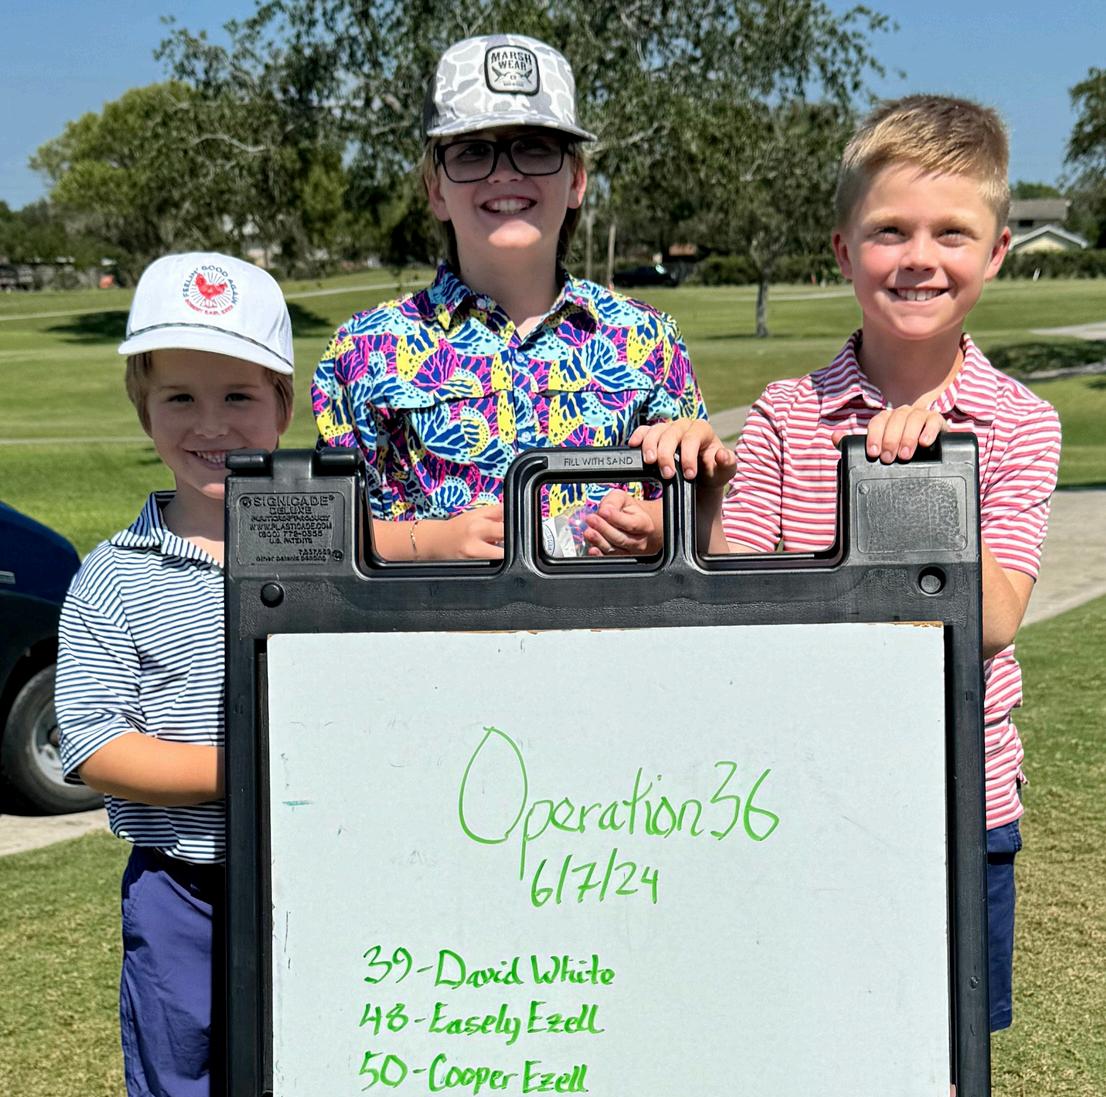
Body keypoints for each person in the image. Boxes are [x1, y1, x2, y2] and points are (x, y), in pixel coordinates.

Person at [700, 94, 1058, 1033]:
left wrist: (926, 490)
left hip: (961, 801)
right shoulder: (786, 412)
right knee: (806, 1028)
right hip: (802, 790)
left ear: (997, 251)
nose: (919, 257)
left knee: (948, 1051)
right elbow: (742, 600)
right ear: (844, 250)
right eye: (890, 230)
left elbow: (994, 619)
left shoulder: (1022, 423)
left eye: (952, 232)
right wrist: (695, 502)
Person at [55, 253, 295, 1097]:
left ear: (283, 405)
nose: (211, 423)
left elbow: (405, 587)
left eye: (239, 393)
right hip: (183, 889)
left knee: (313, 1086)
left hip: (315, 884)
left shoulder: (316, 536)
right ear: (141, 406)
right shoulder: (112, 577)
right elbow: (95, 744)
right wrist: (247, 765)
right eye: (180, 396)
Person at [312, 33, 734, 559]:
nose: (505, 171)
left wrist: (661, 524)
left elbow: (707, 549)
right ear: (436, 189)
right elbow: (322, 541)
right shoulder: (363, 350)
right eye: (472, 151)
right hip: (428, 615)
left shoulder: (647, 339)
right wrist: (430, 544)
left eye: (535, 147)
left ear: (577, 179)